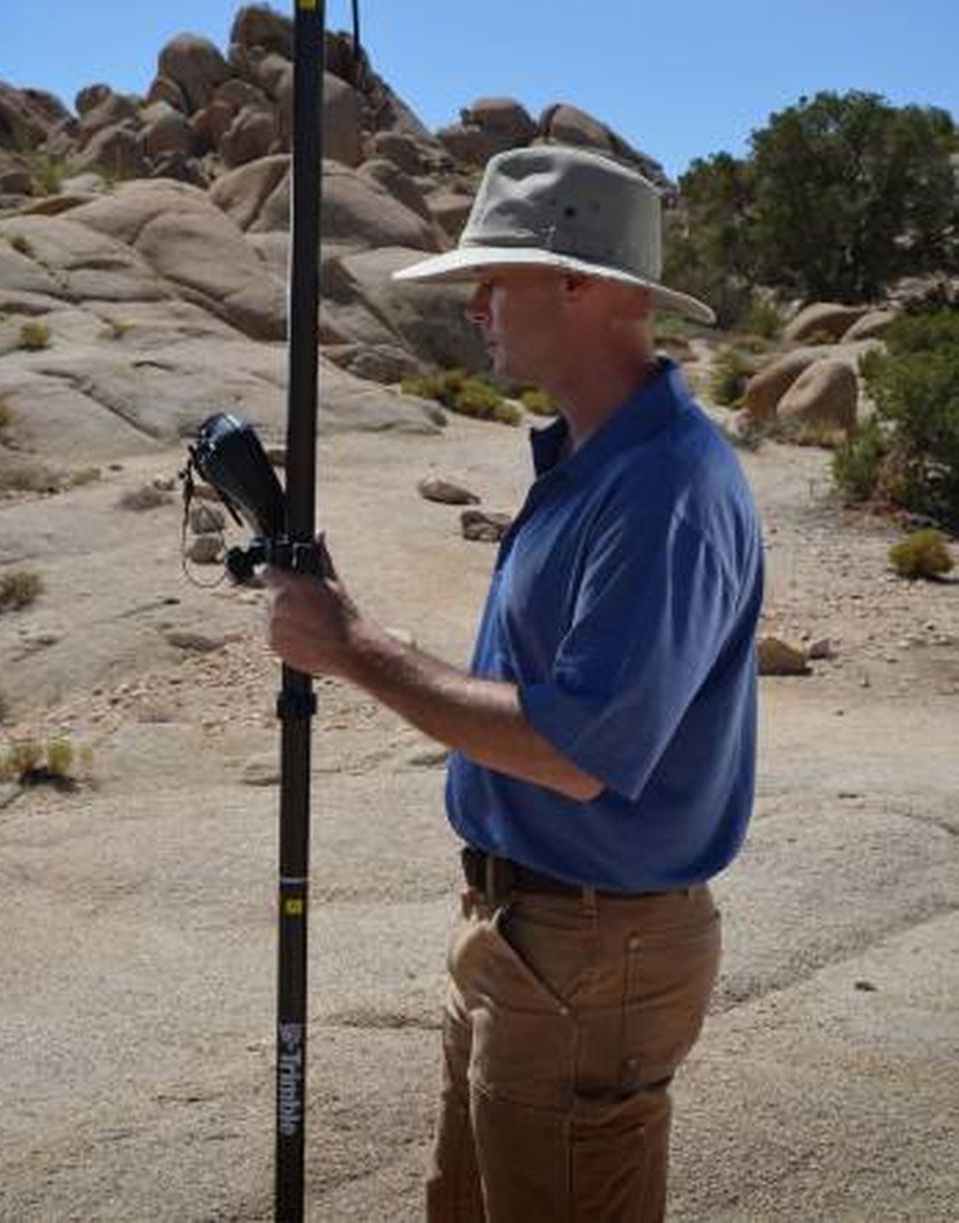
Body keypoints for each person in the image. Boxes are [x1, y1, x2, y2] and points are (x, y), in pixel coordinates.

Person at [264, 144, 764, 1222]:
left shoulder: (661, 484)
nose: (478, 304)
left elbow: (578, 750)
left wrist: (355, 647)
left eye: (497, 277)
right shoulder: (594, 458)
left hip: (593, 948)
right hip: (524, 927)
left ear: (579, 283)